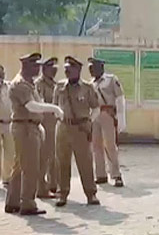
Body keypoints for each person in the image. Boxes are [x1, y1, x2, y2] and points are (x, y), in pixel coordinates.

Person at [5, 53, 63, 216]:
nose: (38, 68)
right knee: (31, 168)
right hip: (25, 129)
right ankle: (28, 203)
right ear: (26, 66)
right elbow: (31, 106)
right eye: (35, 65)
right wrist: (55, 109)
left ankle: (13, 202)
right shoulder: (20, 84)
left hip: (30, 127)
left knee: (20, 166)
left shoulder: (29, 84)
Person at [55, 56, 101, 207]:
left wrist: (89, 120)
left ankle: (91, 194)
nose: (67, 71)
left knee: (85, 162)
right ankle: (62, 194)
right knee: (62, 162)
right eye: (66, 69)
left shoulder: (87, 88)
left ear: (78, 70)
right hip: (63, 128)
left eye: (70, 69)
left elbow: (96, 107)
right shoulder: (60, 86)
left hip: (81, 128)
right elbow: (55, 106)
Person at [89, 57, 126, 187]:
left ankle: (116, 175)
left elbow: (120, 99)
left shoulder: (111, 80)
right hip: (95, 115)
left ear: (101, 68)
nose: (91, 70)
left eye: (93, 67)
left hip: (107, 114)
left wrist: (121, 119)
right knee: (96, 146)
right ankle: (100, 174)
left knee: (110, 145)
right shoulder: (91, 83)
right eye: (90, 67)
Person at [35, 57, 59, 197]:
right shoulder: (39, 84)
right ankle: (41, 188)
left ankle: (53, 184)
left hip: (55, 124)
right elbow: (41, 103)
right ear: (44, 69)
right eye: (51, 68)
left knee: (55, 156)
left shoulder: (55, 84)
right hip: (45, 123)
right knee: (43, 156)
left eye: (55, 68)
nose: (54, 71)